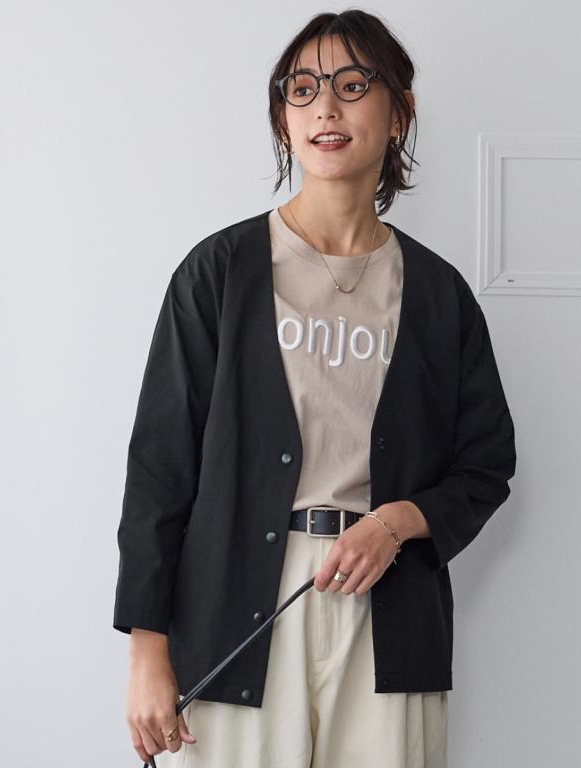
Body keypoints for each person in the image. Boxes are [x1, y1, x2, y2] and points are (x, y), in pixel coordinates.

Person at [113, 9, 516, 768]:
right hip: (239, 611)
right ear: (283, 119)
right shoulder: (218, 274)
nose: (325, 106)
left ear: (399, 112)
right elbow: (161, 470)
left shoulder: (439, 296)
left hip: (390, 609)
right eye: (302, 89)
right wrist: (147, 649)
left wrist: (396, 523)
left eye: (352, 85)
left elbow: (486, 464)